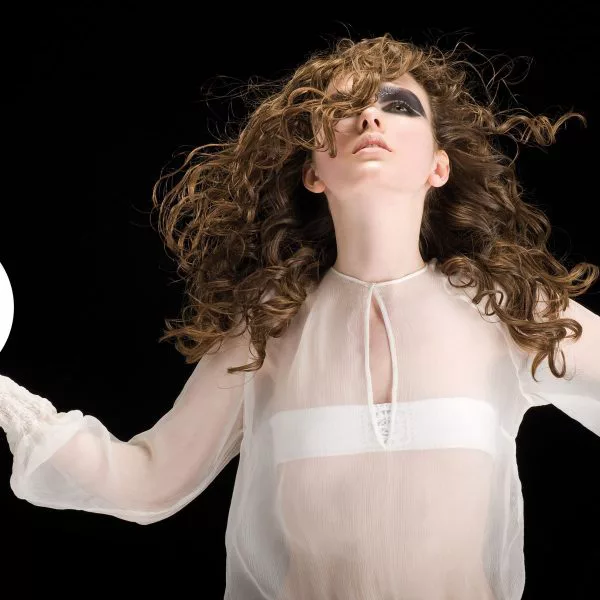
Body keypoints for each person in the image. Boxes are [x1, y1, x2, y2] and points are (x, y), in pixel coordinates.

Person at [1, 33, 599, 600]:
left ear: (438, 166)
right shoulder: (268, 328)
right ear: (313, 171)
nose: (370, 118)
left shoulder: (507, 307)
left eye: (398, 106)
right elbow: (148, 480)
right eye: (343, 110)